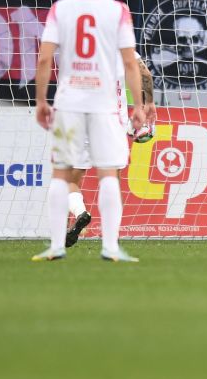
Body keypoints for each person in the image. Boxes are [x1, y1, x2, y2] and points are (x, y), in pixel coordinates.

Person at [32, 0, 149, 262]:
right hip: (105, 104)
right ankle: (110, 248)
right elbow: (130, 62)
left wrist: (41, 100)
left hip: (69, 101)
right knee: (108, 173)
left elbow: (44, 58)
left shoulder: (61, 8)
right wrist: (139, 106)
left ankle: (56, 247)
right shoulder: (118, 11)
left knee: (61, 174)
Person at [64, 61, 156, 249]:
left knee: (70, 179)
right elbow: (145, 74)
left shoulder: (82, 50)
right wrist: (149, 103)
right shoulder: (124, 51)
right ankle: (112, 239)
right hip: (114, 127)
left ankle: (78, 215)